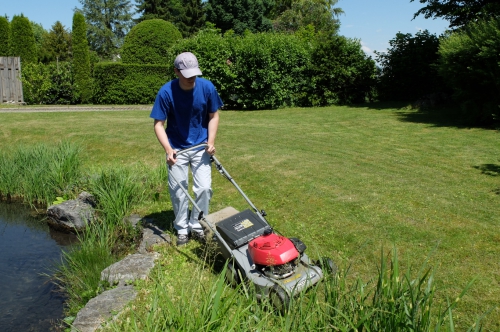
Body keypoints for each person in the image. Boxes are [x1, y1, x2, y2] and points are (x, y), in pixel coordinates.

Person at [150, 52, 223, 246]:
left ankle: (197, 224)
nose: (191, 78)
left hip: (201, 146)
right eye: (186, 74)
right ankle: (182, 227)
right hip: (176, 148)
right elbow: (158, 124)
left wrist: (211, 140)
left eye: (194, 73)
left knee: (204, 188)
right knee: (178, 191)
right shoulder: (166, 92)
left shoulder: (207, 87)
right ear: (176, 71)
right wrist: (168, 149)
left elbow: (213, 116)